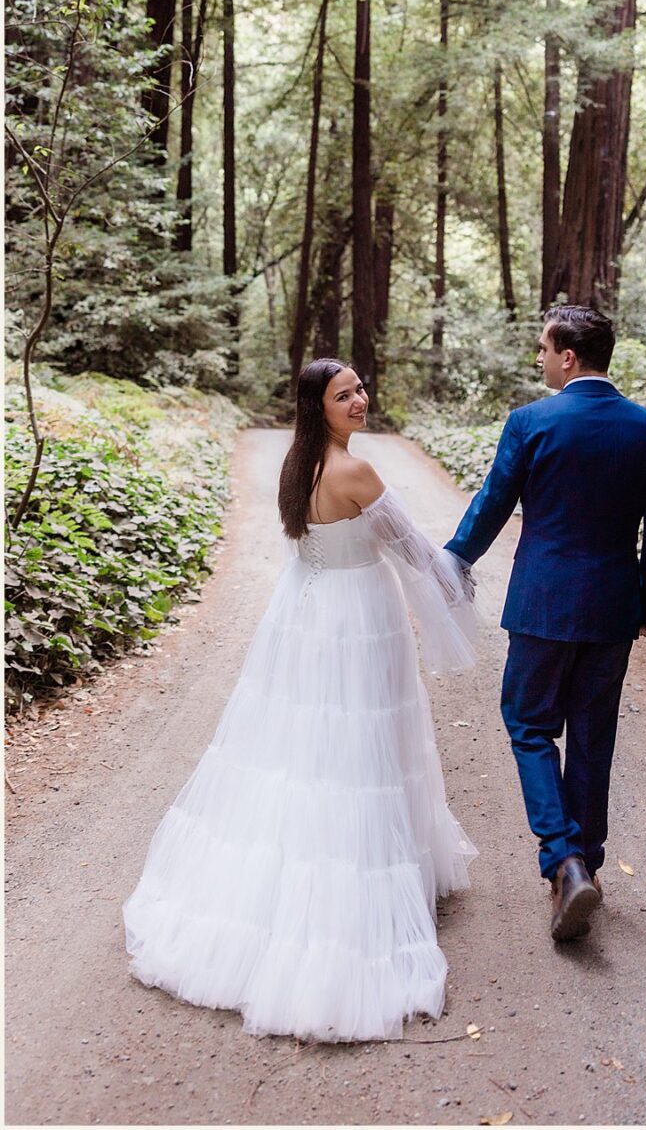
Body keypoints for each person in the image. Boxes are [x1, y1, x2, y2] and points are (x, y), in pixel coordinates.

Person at [123, 359, 479, 1042]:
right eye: (344, 395)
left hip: (304, 611)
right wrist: (461, 582)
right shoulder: (356, 474)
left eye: (360, 389)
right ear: (319, 406)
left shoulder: (296, 465)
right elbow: (412, 551)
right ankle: (352, 891)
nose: (359, 400)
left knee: (302, 744)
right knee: (360, 745)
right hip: (357, 616)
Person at [444, 304, 646, 942]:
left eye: (544, 349)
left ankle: (563, 859)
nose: (539, 359)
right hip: (611, 609)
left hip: (543, 605)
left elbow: (495, 499)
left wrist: (452, 560)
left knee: (528, 724)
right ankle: (587, 868)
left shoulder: (531, 422)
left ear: (568, 356)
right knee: (593, 734)